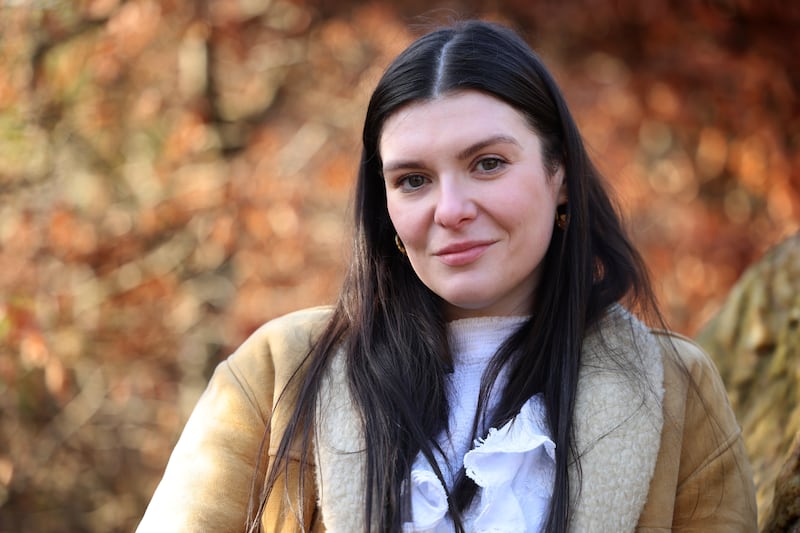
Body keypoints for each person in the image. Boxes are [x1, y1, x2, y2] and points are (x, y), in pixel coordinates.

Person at [137, 20, 757, 532]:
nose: (451, 209)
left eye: (487, 164)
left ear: (558, 172)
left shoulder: (676, 390)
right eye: (413, 180)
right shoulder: (277, 371)